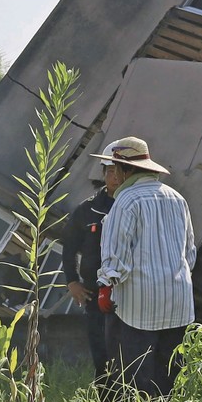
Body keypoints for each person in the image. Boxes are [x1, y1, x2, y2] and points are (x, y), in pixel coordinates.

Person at [94, 136, 196, 399]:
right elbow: (189, 254)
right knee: (170, 376)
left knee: (136, 377)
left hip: (139, 306)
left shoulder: (126, 200)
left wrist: (105, 286)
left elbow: (116, 256)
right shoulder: (177, 198)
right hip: (178, 302)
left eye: (115, 168)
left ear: (124, 170)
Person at [61, 140, 119, 389]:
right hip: (95, 294)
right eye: (110, 171)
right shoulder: (88, 209)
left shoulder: (135, 205)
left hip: (129, 293)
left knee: (127, 353)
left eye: (119, 171)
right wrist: (72, 281)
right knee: (101, 353)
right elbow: (69, 247)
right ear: (103, 173)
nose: (115, 176)